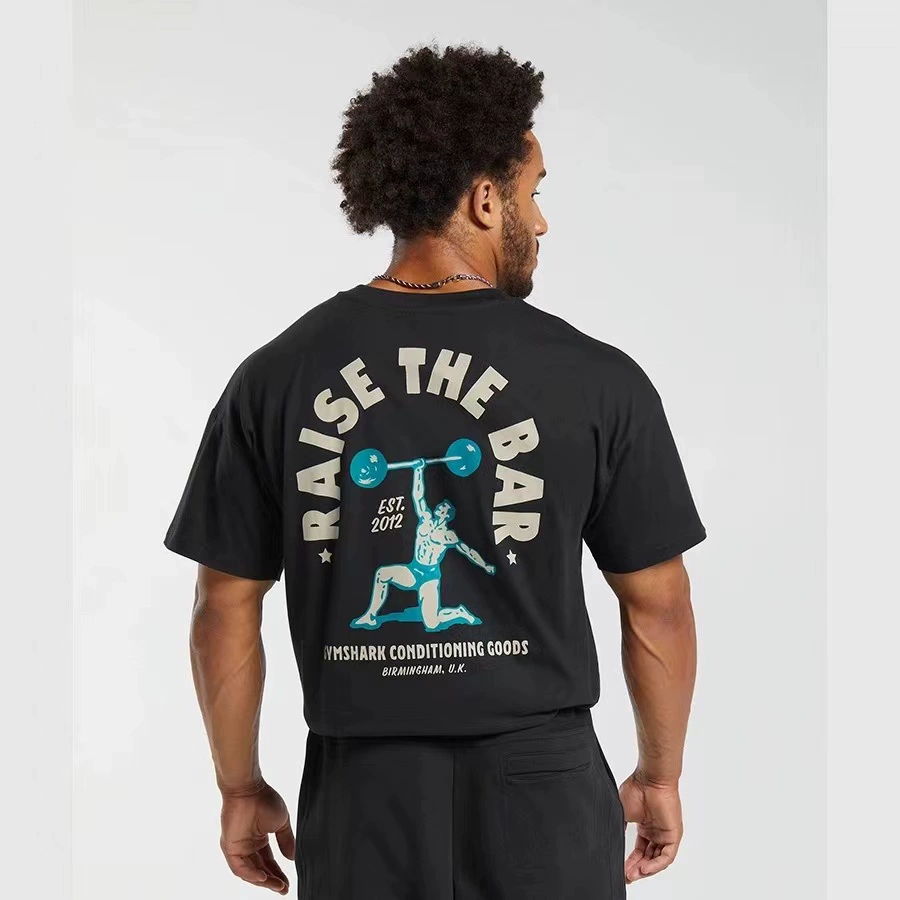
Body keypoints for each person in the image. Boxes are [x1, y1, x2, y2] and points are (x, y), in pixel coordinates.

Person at [164, 42, 707, 900]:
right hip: (544, 788)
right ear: (486, 200)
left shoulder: (275, 377)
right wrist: (659, 773)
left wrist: (239, 789)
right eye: (534, 193)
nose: (541, 222)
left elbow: (223, 607)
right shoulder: (599, 378)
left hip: (360, 793)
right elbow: (658, 604)